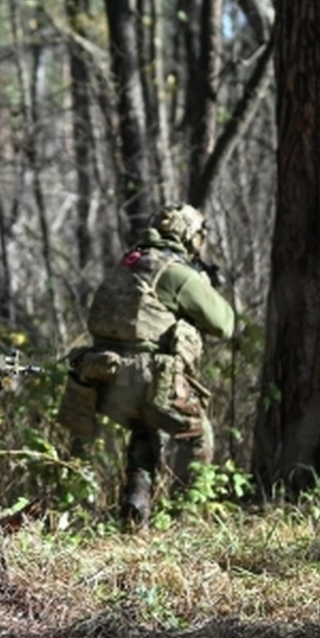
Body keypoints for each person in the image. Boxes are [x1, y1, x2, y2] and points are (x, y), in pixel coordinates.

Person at [62, 203, 234, 530]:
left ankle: (134, 507)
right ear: (187, 236)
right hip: (149, 378)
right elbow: (224, 324)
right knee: (198, 433)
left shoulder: (128, 264)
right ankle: (189, 519)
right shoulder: (174, 272)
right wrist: (203, 285)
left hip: (104, 380)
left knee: (144, 428)